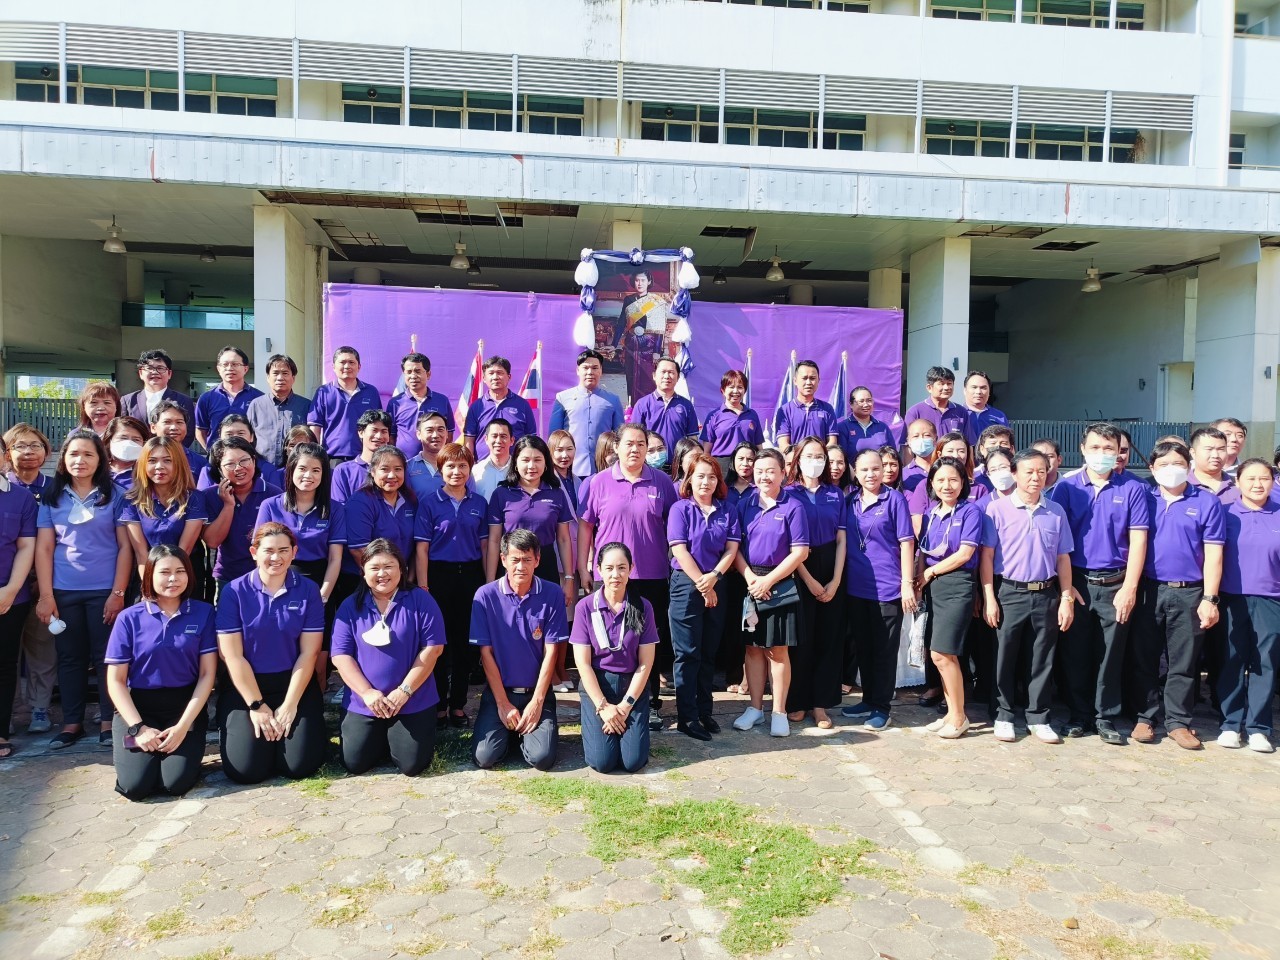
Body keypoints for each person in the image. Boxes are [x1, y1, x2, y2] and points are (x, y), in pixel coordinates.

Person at [1050, 422, 1150, 744]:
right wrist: (1066, 589)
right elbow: (1057, 543)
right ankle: (1079, 714)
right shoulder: (1067, 488)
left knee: (1110, 654)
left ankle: (1105, 717)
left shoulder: (1131, 488)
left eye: (1109, 448)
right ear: (1083, 449)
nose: (1102, 454)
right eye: (1095, 447)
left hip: (1116, 583)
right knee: (1075, 652)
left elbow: (1138, 540)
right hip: (1077, 580)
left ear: (1119, 452)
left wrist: (1129, 587)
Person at [578, 422, 679, 730]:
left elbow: (674, 526)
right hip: (608, 575)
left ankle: (650, 702)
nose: (635, 449)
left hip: (651, 575)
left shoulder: (662, 482)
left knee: (647, 641)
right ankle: (605, 701)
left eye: (641, 444)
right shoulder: (597, 483)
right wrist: (583, 567)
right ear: (617, 447)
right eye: (629, 443)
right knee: (608, 640)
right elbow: (585, 527)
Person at [35, 429, 132, 748]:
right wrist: (46, 596)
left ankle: (107, 721)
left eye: (88, 454)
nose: (80, 460)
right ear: (63, 459)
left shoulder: (116, 495)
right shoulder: (51, 496)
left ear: (100, 460)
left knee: (107, 658)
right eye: (74, 454)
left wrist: (118, 593)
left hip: (105, 591)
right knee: (69, 658)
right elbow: (45, 549)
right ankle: (72, 723)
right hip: (64, 591)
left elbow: (125, 547)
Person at [1130, 440, 1224, 750]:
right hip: (1149, 589)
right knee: (1145, 657)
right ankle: (1145, 717)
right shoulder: (1144, 498)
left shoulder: (1206, 502)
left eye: (1178, 464)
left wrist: (1210, 598)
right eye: (1164, 464)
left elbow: (1214, 554)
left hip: (1190, 592)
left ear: (1189, 466)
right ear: (1152, 468)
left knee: (1183, 661)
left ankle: (1178, 722)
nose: (1171, 470)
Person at [104, 545, 217, 799]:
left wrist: (183, 726)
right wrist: (138, 729)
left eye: (180, 571)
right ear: (150, 576)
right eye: (164, 572)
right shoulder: (128, 618)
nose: (173, 579)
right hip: (138, 708)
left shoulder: (204, 613)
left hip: (183, 708)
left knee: (175, 783)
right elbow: (116, 681)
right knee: (136, 787)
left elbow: (207, 675)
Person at [216, 522, 326, 783]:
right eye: (268, 550)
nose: (276, 557)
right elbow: (232, 656)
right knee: (247, 771)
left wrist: (290, 704)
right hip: (246, 687)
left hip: (293, 683)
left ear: (294, 552)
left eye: (283, 550)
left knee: (298, 766)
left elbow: (309, 653)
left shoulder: (309, 590)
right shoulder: (234, 591)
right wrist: (257, 705)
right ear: (254, 552)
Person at [981, 450, 1076, 743]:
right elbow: (987, 557)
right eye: (1029, 471)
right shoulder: (996, 510)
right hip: (1009, 592)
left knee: (1041, 658)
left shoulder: (1056, 511)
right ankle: (1003, 714)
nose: (1036, 477)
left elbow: (1063, 558)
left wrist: (1066, 598)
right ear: (1014, 473)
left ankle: (1038, 717)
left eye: (1041, 471)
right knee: (1004, 657)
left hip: (1046, 593)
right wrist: (989, 598)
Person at [331, 539, 446, 776]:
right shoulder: (350, 606)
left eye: (389, 566)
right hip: (365, 701)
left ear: (401, 569)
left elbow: (433, 649)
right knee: (355, 762)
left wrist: (404, 691)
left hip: (412, 698)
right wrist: (367, 693)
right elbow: (340, 656)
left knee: (412, 765)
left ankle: (394, 737)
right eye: (374, 568)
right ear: (363, 572)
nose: (382, 574)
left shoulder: (421, 600)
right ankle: (381, 736)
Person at [470, 529, 568, 770]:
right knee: (485, 757)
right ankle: (510, 732)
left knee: (542, 758)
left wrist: (537, 702)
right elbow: (486, 654)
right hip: (499, 692)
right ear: (503, 559)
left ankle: (523, 733)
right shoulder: (485, 596)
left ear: (537, 560)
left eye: (527, 559)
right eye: (515, 560)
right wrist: (502, 703)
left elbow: (551, 652)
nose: (521, 567)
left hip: (537, 692)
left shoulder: (552, 593)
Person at [731, 448, 810, 737]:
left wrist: (769, 581)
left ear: (783, 474)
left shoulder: (794, 506)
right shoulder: (745, 504)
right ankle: (755, 709)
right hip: (750, 581)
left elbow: (800, 552)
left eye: (771, 471)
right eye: (759, 471)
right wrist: (752, 578)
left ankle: (779, 711)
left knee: (778, 651)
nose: (764, 476)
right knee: (752, 648)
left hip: (781, 584)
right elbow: (734, 547)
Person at [255, 442, 347, 685]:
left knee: (317, 656)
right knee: (283, 648)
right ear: (291, 470)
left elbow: (335, 558)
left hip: (320, 583)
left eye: (316, 470)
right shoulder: (270, 505)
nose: (309, 476)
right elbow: (261, 555)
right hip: (279, 582)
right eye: (302, 469)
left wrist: (322, 595)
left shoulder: (334, 509)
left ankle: (316, 696)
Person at [841, 448, 917, 731]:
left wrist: (907, 584)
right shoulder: (850, 501)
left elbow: (907, 542)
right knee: (864, 647)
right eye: (864, 470)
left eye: (876, 468)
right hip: (857, 587)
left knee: (884, 650)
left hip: (888, 588)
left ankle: (882, 707)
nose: (871, 474)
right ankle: (868, 699)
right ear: (855, 472)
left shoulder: (894, 499)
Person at [415, 442, 488, 727]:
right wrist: (424, 586)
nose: (456, 471)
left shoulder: (478, 503)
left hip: (470, 576)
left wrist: (487, 583)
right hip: (438, 576)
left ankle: (457, 705)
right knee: (438, 643)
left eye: (462, 466)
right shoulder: (429, 503)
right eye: (450, 466)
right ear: (440, 469)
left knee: (464, 644)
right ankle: (438, 706)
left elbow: (485, 546)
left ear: (470, 469)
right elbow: (422, 549)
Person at [667, 454, 740, 740]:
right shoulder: (680, 509)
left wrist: (714, 578)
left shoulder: (727, 510)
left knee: (709, 650)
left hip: (717, 580)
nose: (705, 482)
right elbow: (679, 549)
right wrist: (703, 584)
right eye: (700, 476)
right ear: (689, 479)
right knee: (687, 652)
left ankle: (704, 711)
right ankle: (687, 717)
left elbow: (731, 549)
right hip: (687, 584)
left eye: (711, 477)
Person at [572, 542, 658, 772]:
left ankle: (624, 727)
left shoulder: (643, 607)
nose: (615, 574)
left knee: (633, 762)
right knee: (602, 762)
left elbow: (646, 663)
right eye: (609, 568)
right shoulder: (585, 607)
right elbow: (583, 664)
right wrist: (603, 707)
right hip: (598, 686)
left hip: (632, 688)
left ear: (631, 569)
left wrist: (625, 707)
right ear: (599, 569)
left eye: (622, 568)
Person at [781, 438, 846, 729]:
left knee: (828, 639)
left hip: (831, 564)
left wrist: (835, 580)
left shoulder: (835, 493)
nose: (815, 461)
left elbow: (842, 539)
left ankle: (821, 704)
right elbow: (789, 543)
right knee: (801, 640)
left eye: (820, 456)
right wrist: (808, 580)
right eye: (808, 456)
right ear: (798, 460)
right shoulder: (788, 494)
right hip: (799, 567)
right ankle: (797, 701)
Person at [916, 457, 982, 739]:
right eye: (940, 480)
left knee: (942, 653)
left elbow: (965, 554)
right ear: (931, 483)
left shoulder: (970, 511)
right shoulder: (931, 513)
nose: (947, 485)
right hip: (934, 586)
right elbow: (923, 550)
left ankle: (959, 717)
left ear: (963, 482)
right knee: (941, 654)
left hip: (957, 584)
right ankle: (951, 713)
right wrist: (919, 580)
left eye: (953, 479)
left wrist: (930, 572)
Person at [1217, 459, 1280, 753]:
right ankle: (1230, 724)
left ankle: (1258, 728)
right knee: (1232, 659)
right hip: (1231, 597)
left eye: (1264, 478)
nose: (1258, 484)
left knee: (1264, 663)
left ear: (1273, 481)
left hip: (1271, 599)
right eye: (1251, 478)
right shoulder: (1225, 513)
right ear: (1238, 482)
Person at [4, 424, 56, 735]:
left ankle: (39, 707)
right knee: (6, 654)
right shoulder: (5, 488)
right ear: (7, 453)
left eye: (35, 445)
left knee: (42, 647)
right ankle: (8, 712)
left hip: (44, 581)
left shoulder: (55, 488)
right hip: (8, 583)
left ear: (46, 452)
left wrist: (43, 581)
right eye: (20, 446)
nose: (28, 452)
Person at [486, 436, 574, 604]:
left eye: (537, 460)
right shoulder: (501, 494)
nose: (531, 466)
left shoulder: (556, 493)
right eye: (525, 460)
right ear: (515, 463)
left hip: (546, 564)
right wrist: (490, 582)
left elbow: (564, 539)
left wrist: (569, 579)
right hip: (513, 565)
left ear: (546, 463)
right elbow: (494, 540)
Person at [202, 437, 282, 595]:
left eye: (244, 460)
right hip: (228, 575)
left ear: (254, 460)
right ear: (219, 468)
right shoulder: (210, 496)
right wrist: (228, 505)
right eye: (230, 464)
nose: (239, 468)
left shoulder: (273, 494)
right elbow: (212, 541)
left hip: (266, 575)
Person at [0, 435, 37, 759]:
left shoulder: (21, 498)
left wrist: (11, 589)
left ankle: (1, 731)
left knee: (4, 664)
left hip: (10, 596)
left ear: (4, 457)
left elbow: (26, 546)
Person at [121, 437, 207, 570]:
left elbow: (185, 549)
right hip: (148, 571)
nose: (159, 466)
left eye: (167, 460)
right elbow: (141, 553)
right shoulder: (132, 500)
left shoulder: (194, 498)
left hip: (185, 570)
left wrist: (171, 579)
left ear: (179, 463)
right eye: (152, 461)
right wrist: (150, 581)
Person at [549, 349, 625, 481]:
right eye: (586, 368)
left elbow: (620, 437)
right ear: (578, 370)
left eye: (595, 368)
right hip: (571, 468)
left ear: (601, 371)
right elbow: (554, 436)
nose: (590, 372)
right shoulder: (562, 398)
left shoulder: (613, 400)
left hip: (603, 468)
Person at [720, 442, 757, 696]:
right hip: (727, 565)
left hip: (754, 565)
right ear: (733, 462)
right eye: (741, 459)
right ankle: (733, 674)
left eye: (750, 459)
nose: (746, 464)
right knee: (732, 622)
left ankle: (749, 675)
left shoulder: (760, 488)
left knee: (751, 622)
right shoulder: (724, 490)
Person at [308, 346, 383, 461]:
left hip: (364, 458)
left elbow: (379, 425)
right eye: (342, 362)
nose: (347, 366)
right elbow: (315, 428)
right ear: (333, 366)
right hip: (332, 458)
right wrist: (316, 457)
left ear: (359, 367)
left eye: (351, 362)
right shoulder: (323, 392)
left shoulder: (371, 392)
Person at [346, 447, 416, 570]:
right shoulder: (360, 502)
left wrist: (408, 577)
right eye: (384, 469)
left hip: (401, 576)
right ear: (372, 471)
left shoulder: (410, 501)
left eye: (398, 469)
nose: (392, 475)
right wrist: (388, 575)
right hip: (370, 576)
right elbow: (358, 550)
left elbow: (417, 546)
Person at [464, 356, 537, 460]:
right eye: (491, 373)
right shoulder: (476, 406)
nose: (495, 377)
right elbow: (469, 440)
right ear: (484, 378)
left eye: (500, 373)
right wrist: (469, 464)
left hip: (515, 465)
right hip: (482, 466)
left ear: (509, 377)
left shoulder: (523, 405)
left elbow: (531, 440)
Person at [246, 353, 311, 467]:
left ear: (293, 378)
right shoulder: (256, 405)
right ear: (268, 377)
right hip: (262, 469)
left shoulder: (306, 405)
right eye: (275, 373)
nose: (280, 378)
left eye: (285, 373)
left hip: (295, 468)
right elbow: (248, 438)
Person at [120, 349, 195, 446]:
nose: (154, 372)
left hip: (171, 452)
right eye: (149, 368)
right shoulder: (128, 400)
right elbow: (122, 430)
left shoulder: (183, 400)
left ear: (169, 374)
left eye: (160, 368)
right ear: (140, 373)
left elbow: (188, 433)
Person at [387, 352, 454, 459]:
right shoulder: (395, 403)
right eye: (409, 372)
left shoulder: (442, 401)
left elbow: (449, 433)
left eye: (418, 371)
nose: (413, 376)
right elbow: (391, 436)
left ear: (428, 374)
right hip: (404, 462)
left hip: (435, 462)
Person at [195, 346, 263, 449]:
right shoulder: (206, 398)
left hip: (249, 456)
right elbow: (200, 430)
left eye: (235, 364)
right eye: (225, 364)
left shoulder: (259, 398)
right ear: (218, 369)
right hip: (218, 457)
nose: (230, 368)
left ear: (245, 369)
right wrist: (211, 452)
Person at [631, 357, 698, 458]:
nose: (667, 376)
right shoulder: (642, 404)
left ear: (678, 377)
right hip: (650, 463)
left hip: (678, 463)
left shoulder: (686, 405)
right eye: (663, 372)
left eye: (671, 372)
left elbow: (692, 437)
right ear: (654, 375)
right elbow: (635, 436)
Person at [700, 370, 763, 472]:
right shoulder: (714, 416)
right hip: (722, 467)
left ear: (745, 391)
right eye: (731, 387)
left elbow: (759, 446)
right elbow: (706, 452)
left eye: (740, 387)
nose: (736, 391)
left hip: (747, 466)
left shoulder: (752, 415)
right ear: (723, 390)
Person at [331, 410, 394, 503]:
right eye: (374, 430)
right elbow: (339, 507)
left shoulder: (396, 471)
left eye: (384, 431)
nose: (379, 436)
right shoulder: (343, 471)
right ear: (361, 433)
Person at [773, 360, 838, 449]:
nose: (808, 382)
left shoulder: (827, 409)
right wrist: (799, 455)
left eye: (812, 378)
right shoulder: (785, 411)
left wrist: (820, 455)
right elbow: (784, 444)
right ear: (795, 381)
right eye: (804, 378)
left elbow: (832, 442)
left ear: (818, 381)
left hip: (820, 457)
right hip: (795, 457)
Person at [904, 366, 968, 440]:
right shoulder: (915, 412)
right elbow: (906, 442)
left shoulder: (961, 411)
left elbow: (969, 441)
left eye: (949, 383)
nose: (946, 387)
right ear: (929, 388)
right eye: (941, 383)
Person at [151, 399, 208, 480]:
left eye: (179, 422)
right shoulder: (142, 458)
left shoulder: (200, 463)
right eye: (167, 422)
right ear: (153, 427)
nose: (174, 427)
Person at [835, 386, 893, 462]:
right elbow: (841, 458)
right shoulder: (843, 427)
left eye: (869, 400)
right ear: (851, 404)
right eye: (861, 401)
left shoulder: (883, 427)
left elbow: (892, 456)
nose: (866, 405)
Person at [406, 410, 454, 501]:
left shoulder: (459, 467)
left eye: (440, 430)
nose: (435, 435)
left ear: (447, 433)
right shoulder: (407, 467)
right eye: (429, 430)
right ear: (418, 434)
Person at [961, 370, 1008, 447]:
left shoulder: (999, 416)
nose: (978, 392)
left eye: (983, 388)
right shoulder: (957, 414)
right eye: (974, 387)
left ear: (989, 391)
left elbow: (1006, 442)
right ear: (965, 390)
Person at [472, 418, 515, 502]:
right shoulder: (475, 471)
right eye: (494, 436)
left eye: (503, 436)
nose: (498, 441)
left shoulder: (519, 470)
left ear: (512, 440)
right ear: (486, 439)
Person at [1188, 427, 1235, 499]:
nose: (1215, 455)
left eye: (1221, 449)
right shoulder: (1182, 485)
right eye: (1209, 449)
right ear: (1193, 453)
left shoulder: (1238, 484)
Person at [104, 416, 149, 489]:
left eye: (136, 439)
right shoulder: (96, 469)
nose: (129, 443)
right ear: (110, 440)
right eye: (123, 438)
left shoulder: (146, 475)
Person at [901, 419, 938, 494]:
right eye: (916, 436)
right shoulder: (903, 475)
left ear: (935, 439)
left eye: (927, 435)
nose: (921, 439)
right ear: (908, 441)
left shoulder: (944, 468)